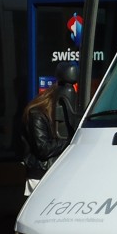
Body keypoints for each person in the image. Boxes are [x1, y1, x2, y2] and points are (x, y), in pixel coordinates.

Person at [22, 61, 80, 194]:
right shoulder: (37, 112)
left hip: (63, 170)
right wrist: (70, 142)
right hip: (42, 173)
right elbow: (43, 148)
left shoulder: (72, 109)